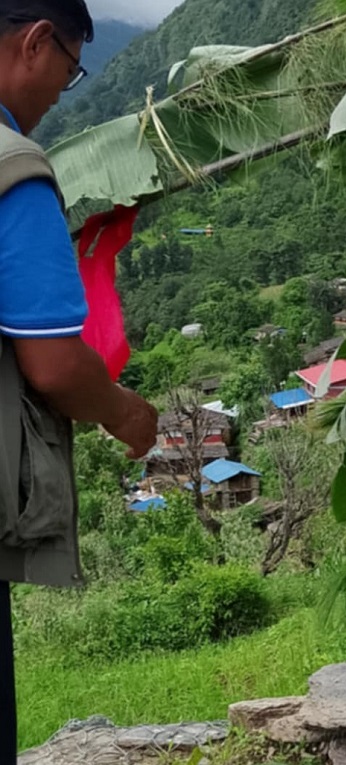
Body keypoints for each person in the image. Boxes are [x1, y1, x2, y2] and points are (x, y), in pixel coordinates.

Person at [0, 2, 158, 760]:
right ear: (36, 42)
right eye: (70, 69)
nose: (66, 88)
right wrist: (124, 411)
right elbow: (55, 362)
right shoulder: (14, 169)